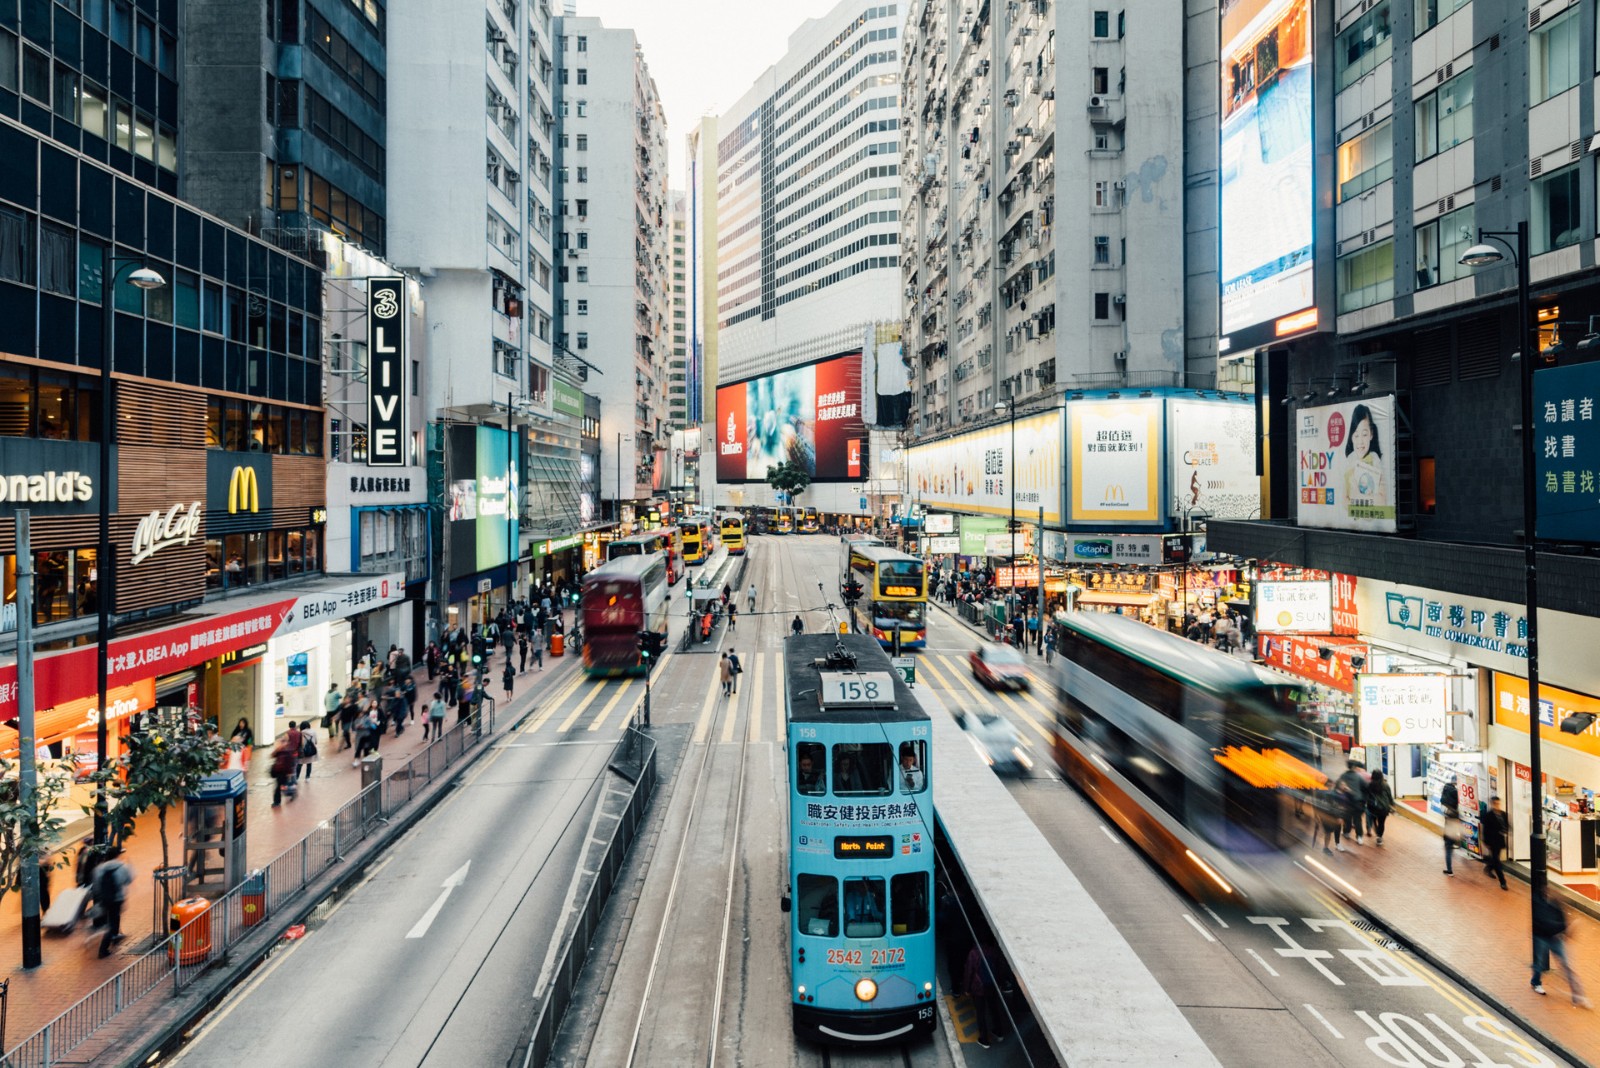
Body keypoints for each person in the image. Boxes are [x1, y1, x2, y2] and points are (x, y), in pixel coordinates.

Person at [1532, 889, 1591, 1005]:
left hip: (1555, 939)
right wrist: (1566, 928)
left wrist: (1568, 928)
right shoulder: (1542, 906)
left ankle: (1577, 995)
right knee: (1539, 962)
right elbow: (1548, 924)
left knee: (1567, 965)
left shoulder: (1559, 908)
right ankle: (1536, 982)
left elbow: (1564, 925)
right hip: (1541, 937)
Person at [1343, 402, 1390, 508]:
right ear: (1351, 437)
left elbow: (1382, 501)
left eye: (1364, 434)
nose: (1360, 442)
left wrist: (1358, 496)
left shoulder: (1375, 461)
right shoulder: (1350, 461)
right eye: (1356, 435)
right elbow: (1344, 501)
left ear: (1371, 434)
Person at [93, 846, 132, 959]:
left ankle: (113, 936)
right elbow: (127, 881)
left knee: (110, 920)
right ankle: (103, 949)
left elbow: (96, 886)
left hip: (104, 899)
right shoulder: (121, 867)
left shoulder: (99, 869)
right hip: (117, 899)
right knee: (113, 922)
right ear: (117, 855)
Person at [1480, 795, 1510, 890]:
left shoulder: (1504, 814)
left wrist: (1505, 830)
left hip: (1500, 840)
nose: (1497, 805)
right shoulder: (1488, 815)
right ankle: (1503, 882)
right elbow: (1485, 830)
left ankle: (1488, 868)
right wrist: (1485, 841)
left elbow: (1507, 826)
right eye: (1495, 804)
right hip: (1492, 841)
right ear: (1492, 804)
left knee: (1495, 858)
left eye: (1498, 803)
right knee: (1497, 861)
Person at [1336, 761, 1368, 845]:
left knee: (1347, 819)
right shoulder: (1358, 776)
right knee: (1357, 820)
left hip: (1346, 802)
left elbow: (1337, 786)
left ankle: (1346, 832)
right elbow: (1366, 787)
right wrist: (1363, 798)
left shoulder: (1343, 776)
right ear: (1353, 767)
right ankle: (1359, 837)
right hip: (1357, 801)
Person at [271, 724, 301, 806]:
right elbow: (272, 756)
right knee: (279, 787)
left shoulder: (289, 750)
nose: (282, 743)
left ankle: (292, 794)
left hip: (284, 772)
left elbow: (290, 763)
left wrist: (289, 773)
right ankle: (277, 802)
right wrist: (277, 749)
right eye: (281, 741)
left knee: (283, 786)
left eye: (284, 741)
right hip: (278, 771)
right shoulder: (279, 750)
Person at [1365, 769, 1394, 845]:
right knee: (1381, 823)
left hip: (1372, 807)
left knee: (1374, 820)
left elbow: (1366, 796)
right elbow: (1390, 796)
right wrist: (1392, 804)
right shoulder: (1385, 785)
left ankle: (1376, 830)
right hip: (1383, 808)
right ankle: (1379, 837)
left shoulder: (1369, 785)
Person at [1441, 779, 1461, 875]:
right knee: (1449, 851)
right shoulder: (1455, 812)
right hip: (1453, 834)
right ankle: (1449, 869)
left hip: (1449, 834)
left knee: (1448, 851)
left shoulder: (1447, 811)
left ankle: (1449, 870)